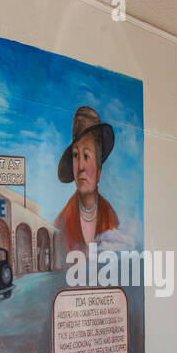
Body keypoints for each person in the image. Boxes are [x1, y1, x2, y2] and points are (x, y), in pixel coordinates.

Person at [55, 105, 119, 254]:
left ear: (99, 171)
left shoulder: (112, 219)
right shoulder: (61, 222)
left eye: (86, 156)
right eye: (76, 155)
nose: (81, 166)